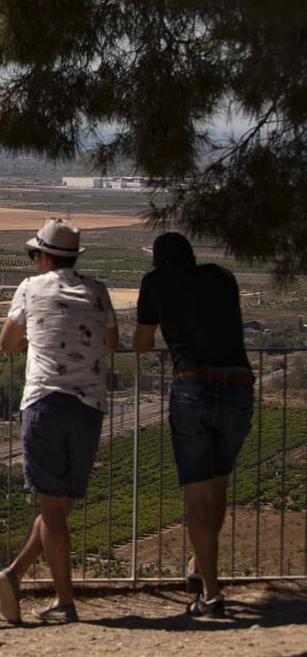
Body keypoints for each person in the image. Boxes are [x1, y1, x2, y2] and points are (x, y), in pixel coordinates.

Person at [0, 218, 118, 624]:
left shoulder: (31, 288)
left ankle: (65, 601)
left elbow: (6, 345)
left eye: (34, 255)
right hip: (89, 408)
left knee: (52, 507)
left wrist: (37, 336)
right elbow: (112, 343)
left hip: (45, 404)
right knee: (59, 506)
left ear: (44, 257)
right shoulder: (98, 291)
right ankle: (14, 574)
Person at [134, 232, 252, 618]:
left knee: (197, 494)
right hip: (237, 386)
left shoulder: (155, 283)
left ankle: (211, 593)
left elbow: (143, 342)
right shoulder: (222, 277)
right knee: (218, 485)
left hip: (192, 387)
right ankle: (199, 569)